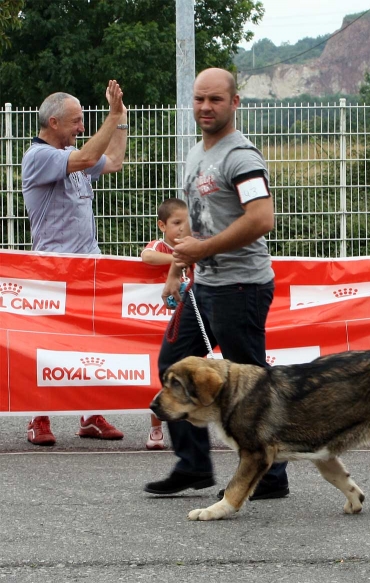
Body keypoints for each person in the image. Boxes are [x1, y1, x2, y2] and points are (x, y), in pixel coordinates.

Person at [144, 68, 289, 500]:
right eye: (199, 99)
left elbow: (262, 220)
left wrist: (203, 253)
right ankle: (193, 466)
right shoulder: (195, 154)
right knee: (173, 366)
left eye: (215, 100)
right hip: (203, 286)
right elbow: (193, 230)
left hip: (241, 286)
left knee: (252, 385)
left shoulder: (241, 157)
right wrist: (176, 269)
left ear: (234, 103)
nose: (205, 107)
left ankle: (270, 475)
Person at [21, 81, 128, 446]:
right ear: (53, 123)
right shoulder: (40, 157)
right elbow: (84, 158)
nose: (81, 127)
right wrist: (111, 118)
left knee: (93, 345)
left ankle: (90, 416)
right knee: (45, 346)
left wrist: (121, 120)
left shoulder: (72, 155)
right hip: (52, 271)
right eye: (76, 121)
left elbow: (112, 160)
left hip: (89, 268)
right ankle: (37, 418)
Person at [141, 197, 192, 450]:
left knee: (189, 376)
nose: (183, 228)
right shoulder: (160, 246)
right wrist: (177, 258)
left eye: (187, 222)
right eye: (176, 222)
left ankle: (190, 429)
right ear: (162, 226)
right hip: (156, 322)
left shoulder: (195, 246)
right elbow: (146, 256)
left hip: (188, 321)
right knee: (161, 377)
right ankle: (156, 427)